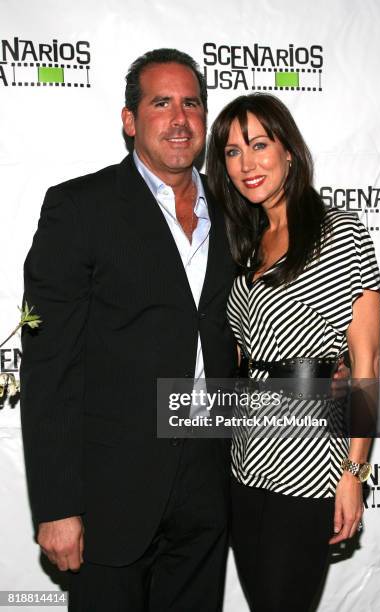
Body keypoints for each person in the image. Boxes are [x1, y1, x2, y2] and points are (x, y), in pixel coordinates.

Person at [20, 48, 237, 612]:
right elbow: (49, 365)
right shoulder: (80, 207)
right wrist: (56, 504)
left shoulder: (237, 208)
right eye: (160, 102)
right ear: (130, 119)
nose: (179, 118)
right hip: (111, 487)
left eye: (191, 103)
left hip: (209, 481)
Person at [207, 93, 380, 612]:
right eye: (233, 153)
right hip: (242, 466)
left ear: (289, 151)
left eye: (259, 145)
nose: (247, 164)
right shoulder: (245, 242)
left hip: (309, 471)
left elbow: (366, 366)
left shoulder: (342, 231)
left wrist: (354, 476)